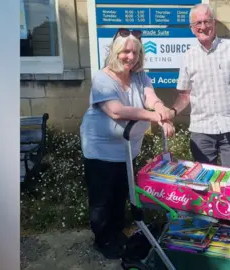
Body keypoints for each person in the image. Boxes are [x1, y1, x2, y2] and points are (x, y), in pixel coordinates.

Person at [79, 28, 175, 259]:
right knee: (102, 199)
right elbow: (115, 111)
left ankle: (117, 232)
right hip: (100, 151)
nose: (130, 57)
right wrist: (154, 117)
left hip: (127, 150)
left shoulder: (139, 76)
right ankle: (102, 240)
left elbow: (151, 97)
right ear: (115, 51)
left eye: (135, 52)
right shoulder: (102, 78)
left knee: (122, 194)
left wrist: (161, 108)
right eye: (125, 52)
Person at [168, 3, 230, 169]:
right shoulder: (188, 56)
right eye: (198, 23)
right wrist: (171, 112)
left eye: (207, 21)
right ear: (192, 28)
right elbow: (185, 95)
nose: (203, 26)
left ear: (214, 23)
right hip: (202, 131)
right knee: (204, 183)